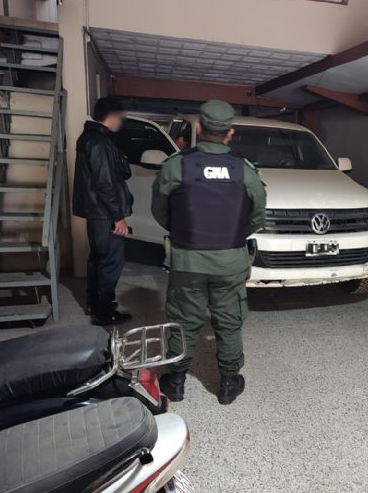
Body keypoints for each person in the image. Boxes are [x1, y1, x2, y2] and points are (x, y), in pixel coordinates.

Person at [152, 100, 266, 405]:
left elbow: (160, 211)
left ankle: (175, 382)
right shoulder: (245, 170)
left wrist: (184, 232)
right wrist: (234, 237)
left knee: (184, 319)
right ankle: (228, 384)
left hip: (187, 259)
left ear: (199, 128)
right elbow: (257, 216)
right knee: (228, 321)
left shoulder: (176, 165)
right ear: (230, 133)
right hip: (230, 260)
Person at [72, 97, 133, 326]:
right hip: (104, 212)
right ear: (112, 116)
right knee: (110, 262)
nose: (121, 122)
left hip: (96, 211)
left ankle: (94, 304)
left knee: (97, 259)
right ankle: (104, 312)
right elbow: (105, 183)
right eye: (120, 117)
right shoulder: (100, 142)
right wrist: (118, 217)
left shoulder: (91, 137)